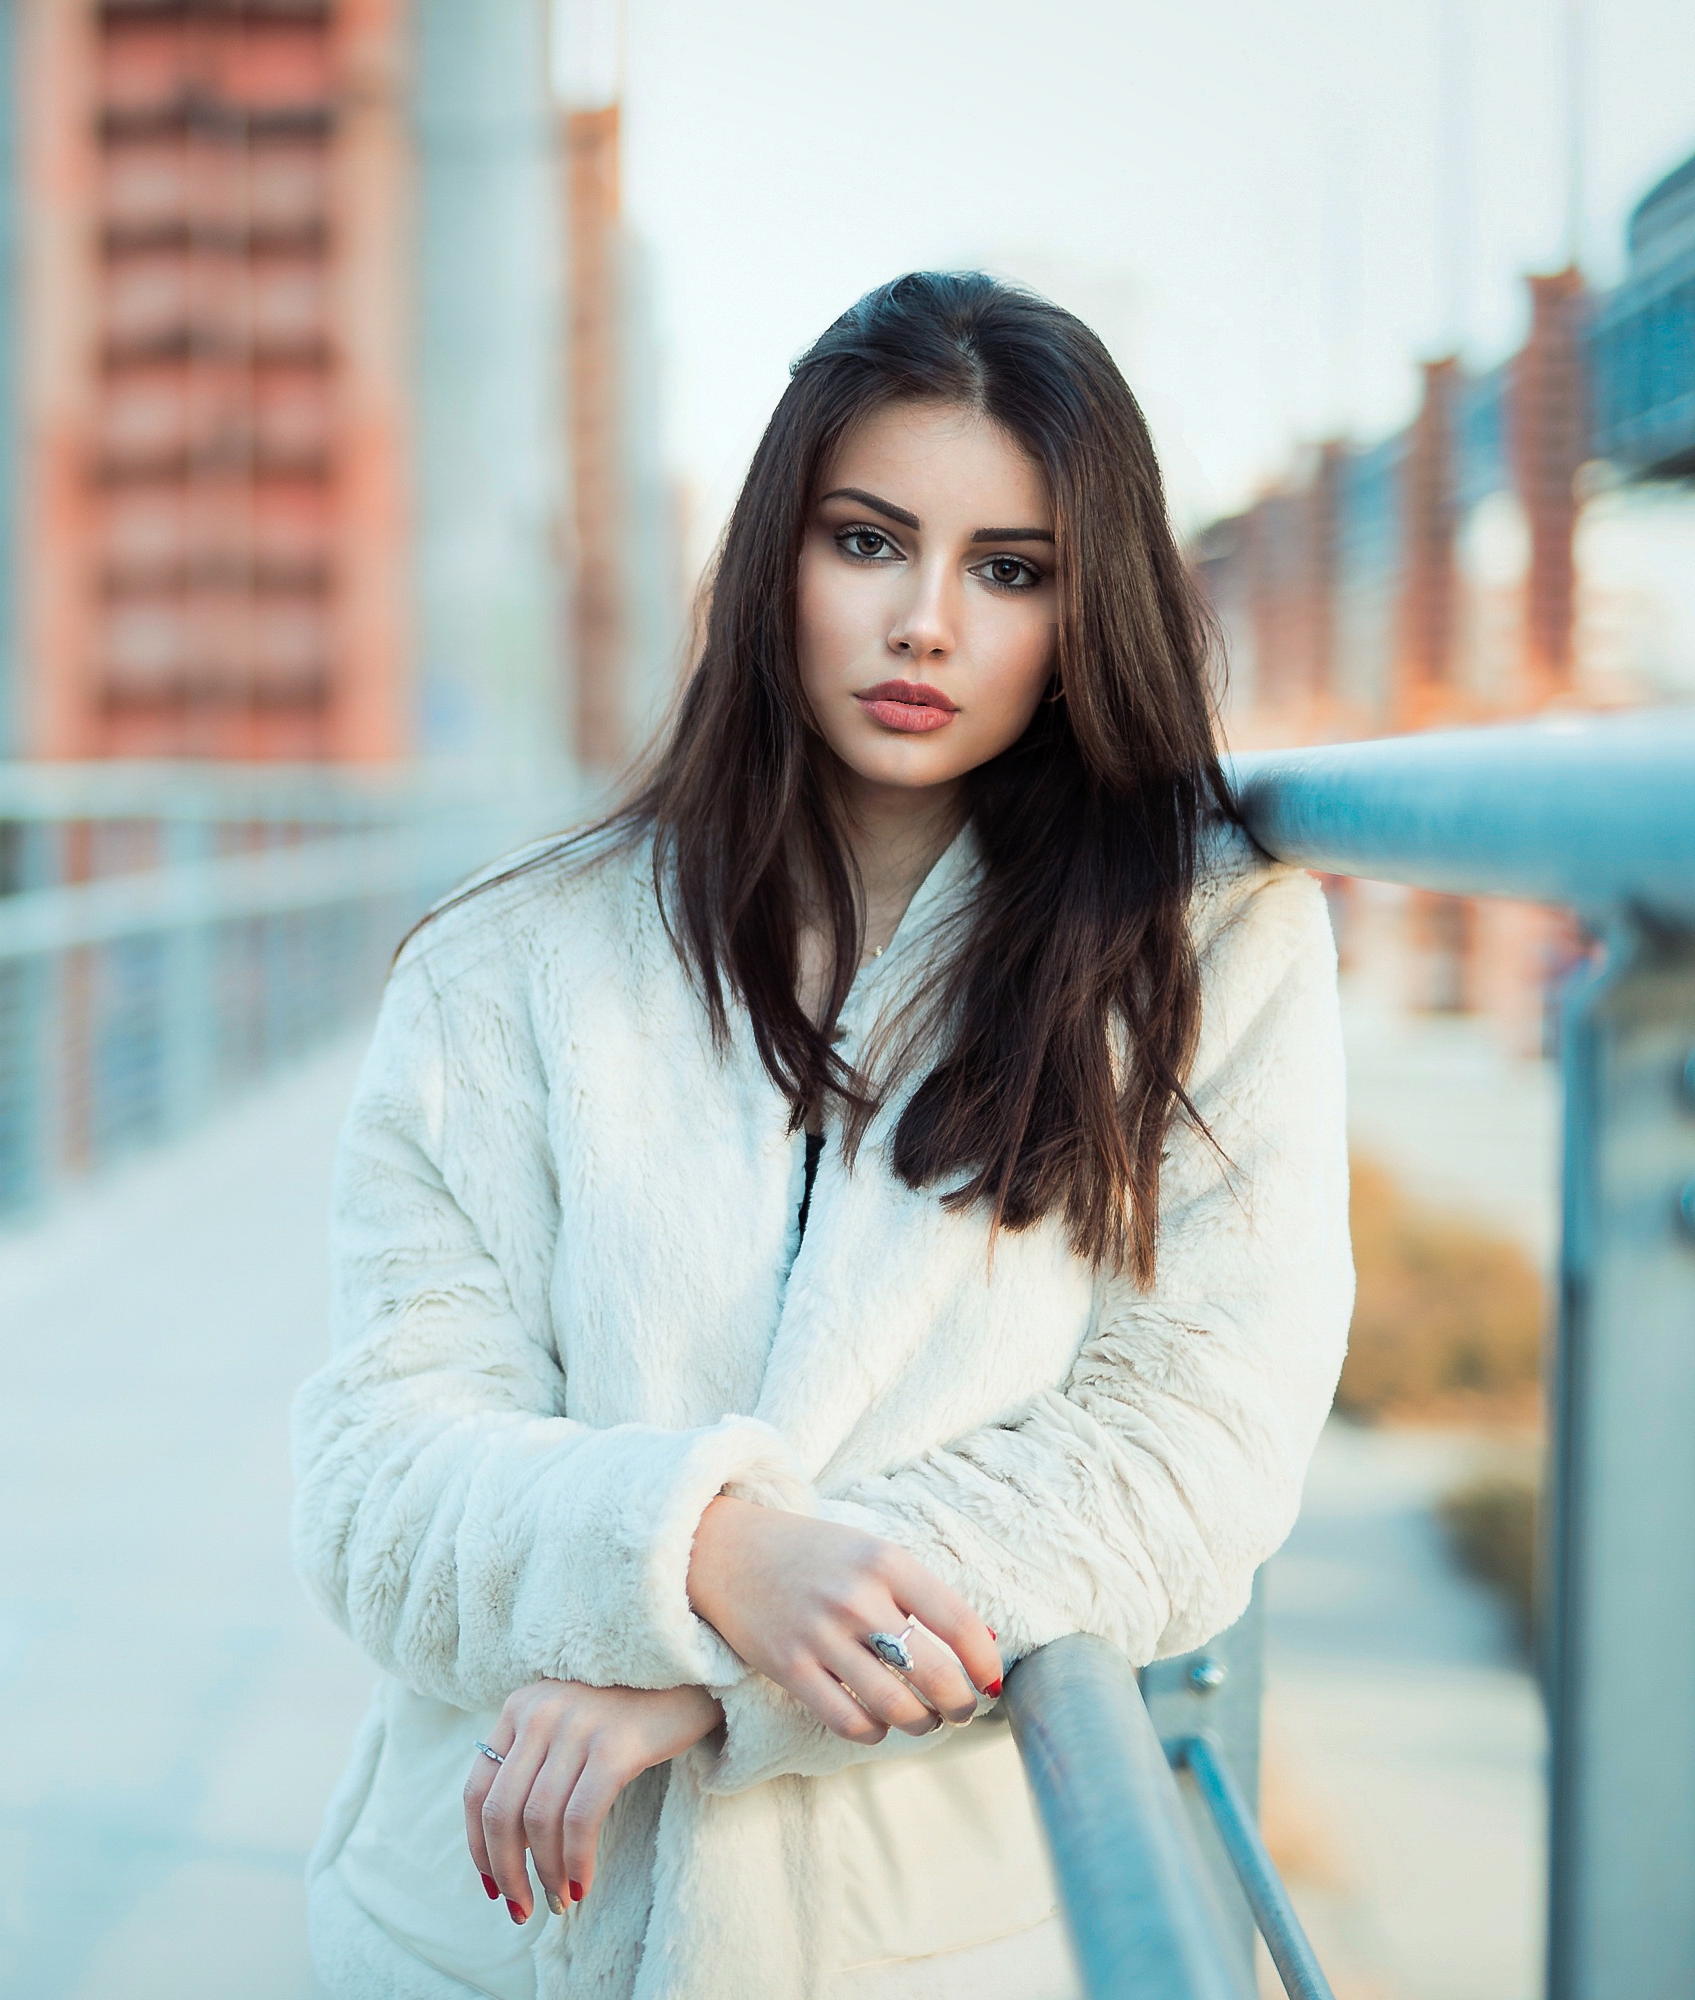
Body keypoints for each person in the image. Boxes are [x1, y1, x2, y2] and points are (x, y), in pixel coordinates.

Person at [290, 271, 1353, 1999]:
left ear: (1091, 612)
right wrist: (706, 1553)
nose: (926, 622)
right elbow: (372, 1478)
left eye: (1010, 571)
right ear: (777, 553)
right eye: (871, 542)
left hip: (931, 1936)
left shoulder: (1202, 950)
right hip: (492, 1925)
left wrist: (719, 1668)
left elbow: (1192, 1449)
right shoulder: (510, 963)